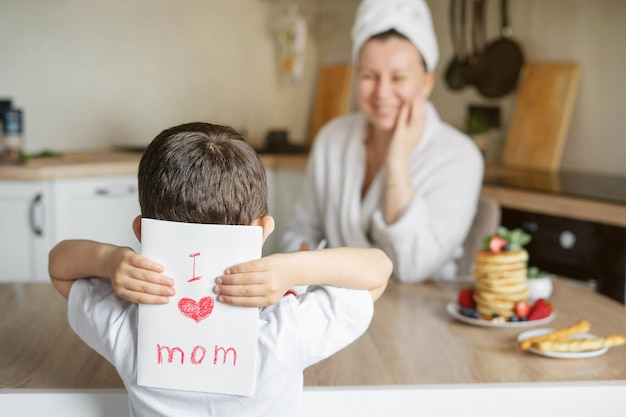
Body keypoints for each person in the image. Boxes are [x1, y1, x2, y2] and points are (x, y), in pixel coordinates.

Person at [48, 122, 392, 417]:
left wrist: (109, 259)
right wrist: (293, 267)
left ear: (141, 231)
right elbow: (378, 271)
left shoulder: (127, 327)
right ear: (263, 228)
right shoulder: (285, 331)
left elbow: (59, 268)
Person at [281, 0, 484, 282]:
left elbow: (412, 268)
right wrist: (304, 265)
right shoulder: (332, 139)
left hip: (419, 315)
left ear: (426, 82)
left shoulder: (460, 157)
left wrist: (398, 161)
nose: (382, 92)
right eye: (369, 76)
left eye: (398, 78)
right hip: (332, 309)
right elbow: (300, 232)